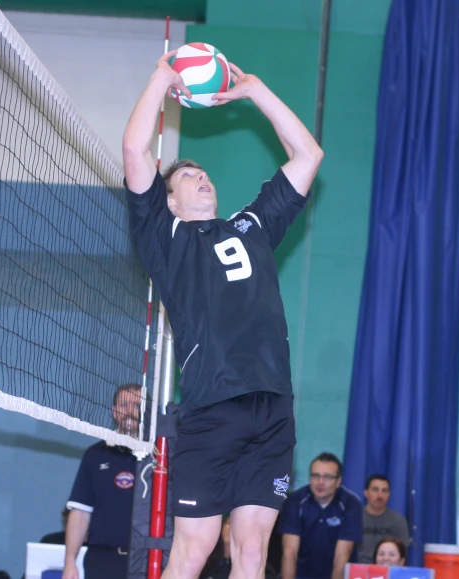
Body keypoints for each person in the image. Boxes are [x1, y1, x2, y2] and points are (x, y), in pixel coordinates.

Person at [122, 50, 323, 578]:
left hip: (273, 405)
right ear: (169, 200)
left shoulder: (251, 226)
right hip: (214, 406)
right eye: (188, 174)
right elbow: (134, 149)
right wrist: (163, 74)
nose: (201, 176)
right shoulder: (164, 238)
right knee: (195, 548)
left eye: (204, 171)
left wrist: (256, 90)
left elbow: (307, 155)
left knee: (253, 550)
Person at [62, 383, 141, 579]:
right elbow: (80, 512)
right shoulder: (95, 454)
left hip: (147, 559)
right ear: (114, 412)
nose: (130, 411)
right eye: (123, 405)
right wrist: (70, 560)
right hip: (102, 560)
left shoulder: (160, 456)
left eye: (137, 405)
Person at [279, 453, 363, 579]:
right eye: (315, 476)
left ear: (338, 481)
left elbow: (342, 556)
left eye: (327, 477)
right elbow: (289, 552)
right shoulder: (295, 501)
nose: (320, 482)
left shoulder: (350, 504)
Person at [357, 475, 410, 564]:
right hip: (359, 569)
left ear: (389, 495)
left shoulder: (398, 520)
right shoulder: (354, 518)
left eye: (384, 491)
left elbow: (403, 553)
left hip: (388, 569)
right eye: (375, 490)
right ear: (366, 493)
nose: (380, 495)